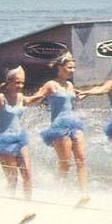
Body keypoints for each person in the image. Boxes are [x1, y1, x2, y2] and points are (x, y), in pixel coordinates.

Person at [35, 52, 87, 190]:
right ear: (60, 67)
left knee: (81, 159)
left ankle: (84, 192)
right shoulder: (51, 85)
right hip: (59, 126)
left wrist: (79, 96)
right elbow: (37, 97)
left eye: (74, 68)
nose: (72, 71)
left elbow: (71, 100)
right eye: (69, 68)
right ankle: (59, 189)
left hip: (74, 124)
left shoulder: (70, 85)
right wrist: (23, 101)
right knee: (65, 162)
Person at [0, 66, 41, 198]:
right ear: (9, 82)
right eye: (17, 82)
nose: (20, 85)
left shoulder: (21, 97)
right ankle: (10, 204)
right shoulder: (0, 98)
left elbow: (32, 100)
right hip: (5, 142)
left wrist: (46, 93)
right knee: (13, 179)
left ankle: (28, 205)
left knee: (27, 174)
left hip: (20, 140)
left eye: (22, 82)